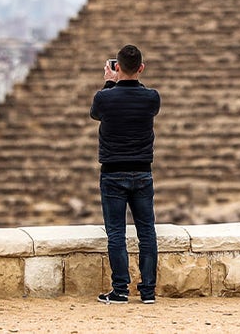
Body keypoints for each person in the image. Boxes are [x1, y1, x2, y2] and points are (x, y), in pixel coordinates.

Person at [90, 44, 161, 305]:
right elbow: (145, 103)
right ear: (141, 68)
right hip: (143, 173)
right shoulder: (152, 97)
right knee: (147, 233)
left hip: (112, 173)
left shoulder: (103, 97)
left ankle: (120, 290)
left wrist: (110, 84)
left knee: (117, 234)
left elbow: (96, 114)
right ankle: (148, 291)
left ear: (116, 67)